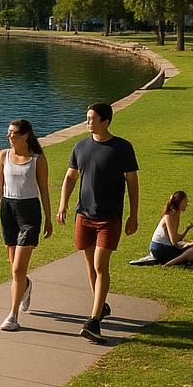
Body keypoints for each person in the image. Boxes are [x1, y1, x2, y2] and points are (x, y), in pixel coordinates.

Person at [57, 102, 139, 344]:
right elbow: (70, 177)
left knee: (101, 265)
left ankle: (93, 321)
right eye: (87, 118)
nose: (88, 122)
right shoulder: (80, 146)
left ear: (106, 121)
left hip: (109, 217)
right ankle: (100, 307)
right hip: (84, 215)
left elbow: (132, 184)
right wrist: (63, 204)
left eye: (92, 118)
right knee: (91, 267)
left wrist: (133, 215)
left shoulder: (122, 148)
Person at [0, 119, 52, 331]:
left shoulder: (37, 159)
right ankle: (26, 285)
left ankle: (13, 316)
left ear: (25, 136)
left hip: (29, 213)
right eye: (8, 133)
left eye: (13, 133)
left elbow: (44, 190)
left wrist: (49, 218)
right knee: (15, 269)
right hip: (8, 210)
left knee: (17, 269)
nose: (9, 136)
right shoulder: (3, 156)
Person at [148, 190, 193, 264]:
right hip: (160, 248)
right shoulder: (170, 215)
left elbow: (175, 238)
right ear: (180, 202)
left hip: (160, 247)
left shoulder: (175, 214)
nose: (187, 204)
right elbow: (174, 241)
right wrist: (183, 245)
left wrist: (187, 229)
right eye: (185, 201)